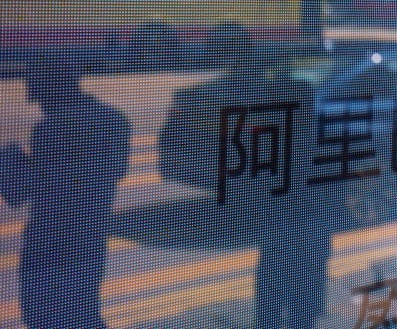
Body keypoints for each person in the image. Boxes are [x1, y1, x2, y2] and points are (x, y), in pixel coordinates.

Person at [162, 27, 329, 328]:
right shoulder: (288, 85)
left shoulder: (243, 91)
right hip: (304, 199)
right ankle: (298, 316)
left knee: (277, 269)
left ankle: (278, 317)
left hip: (283, 199)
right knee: (303, 267)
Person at [15, 52, 131, 328]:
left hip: (49, 243)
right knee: (84, 313)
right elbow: (115, 173)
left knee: (42, 317)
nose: (40, 105)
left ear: (49, 91)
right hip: (91, 237)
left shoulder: (49, 130)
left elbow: (44, 191)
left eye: (40, 96)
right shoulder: (115, 120)